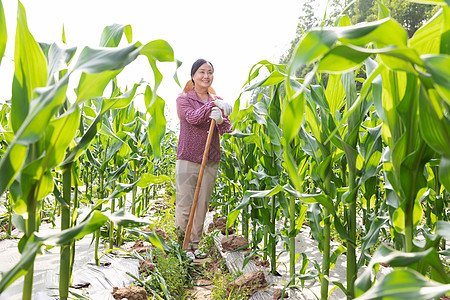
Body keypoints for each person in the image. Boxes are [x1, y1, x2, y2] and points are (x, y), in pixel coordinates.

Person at [175, 59, 233, 258]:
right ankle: (181, 247)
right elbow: (192, 118)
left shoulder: (217, 99)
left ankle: (194, 245)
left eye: (210, 72)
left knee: (202, 205)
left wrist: (220, 119)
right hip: (188, 158)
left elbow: (227, 129)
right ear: (193, 76)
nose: (206, 76)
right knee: (185, 204)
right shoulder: (183, 99)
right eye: (202, 72)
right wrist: (212, 106)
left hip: (210, 159)